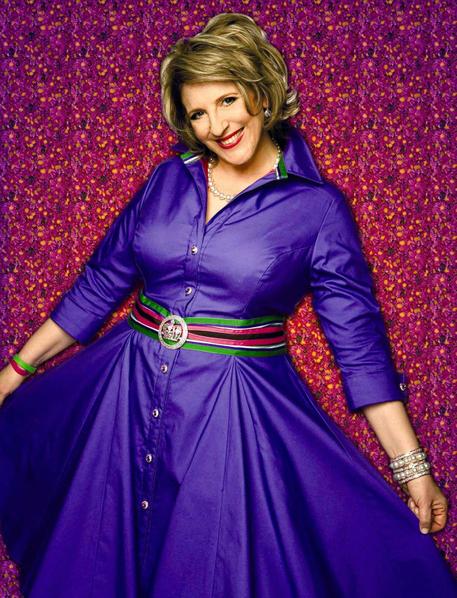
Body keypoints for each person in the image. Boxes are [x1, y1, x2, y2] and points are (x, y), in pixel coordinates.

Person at [0, 11, 456, 598]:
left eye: (227, 100)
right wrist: (11, 376)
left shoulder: (318, 209)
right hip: (122, 397)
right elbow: (98, 286)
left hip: (232, 420)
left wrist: (412, 469)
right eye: (198, 113)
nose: (216, 126)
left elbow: (359, 348)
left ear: (261, 94)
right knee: (98, 560)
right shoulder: (166, 180)